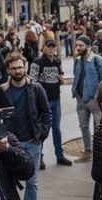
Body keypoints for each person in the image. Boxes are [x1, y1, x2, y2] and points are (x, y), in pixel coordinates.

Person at [0, 52, 52, 200]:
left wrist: (41, 135)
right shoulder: (1, 91)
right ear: (8, 70)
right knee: (5, 181)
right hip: (9, 144)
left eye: (20, 67)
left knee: (32, 181)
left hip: (33, 142)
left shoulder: (36, 88)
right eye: (14, 68)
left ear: (24, 67)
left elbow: (47, 113)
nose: (17, 71)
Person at [29, 38, 71, 167]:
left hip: (56, 99)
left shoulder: (57, 62)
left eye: (53, 46)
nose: (51, 49)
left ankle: (60, 155)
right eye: (49, 46)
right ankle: (39, 157)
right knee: (41, 129)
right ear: (45, 48)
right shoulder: (37, 62)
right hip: (42, 102)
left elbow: (61, 75)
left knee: (57, 129)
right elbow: (31, 81)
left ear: (56, 48)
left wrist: (61, 78)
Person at [71, 35, 102, 163]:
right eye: (77, 45)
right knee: (84, 126)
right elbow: (77, 78)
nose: (78, 48)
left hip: (95, 101)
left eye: (81, 45)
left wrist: (96, 97)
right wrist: (76, 93)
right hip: (81, 100)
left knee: (100, 127)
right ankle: (88, 151)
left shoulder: (98, 60)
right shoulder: (77, 61)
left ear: (88, 46)